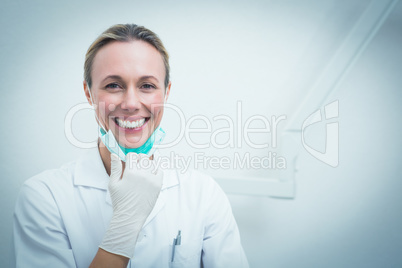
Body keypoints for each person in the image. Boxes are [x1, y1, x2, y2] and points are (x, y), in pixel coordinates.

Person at [13, 24, 249, 268]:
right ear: (88, 92)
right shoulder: (44, 196)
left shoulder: (203, 194)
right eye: (113, 85)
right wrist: (124, 228)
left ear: (166, 93)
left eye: (147, 85)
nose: (131, 103)